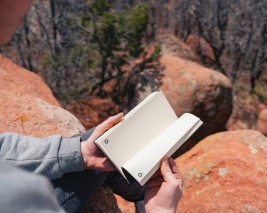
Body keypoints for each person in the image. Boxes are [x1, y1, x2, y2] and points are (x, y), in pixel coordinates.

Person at [0, 0, 183, 213]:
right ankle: (145, 198)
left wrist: (79, 153)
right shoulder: (23, 197)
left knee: (108, 150)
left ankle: (141, 193)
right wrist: (161, 210)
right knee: (112, 155)